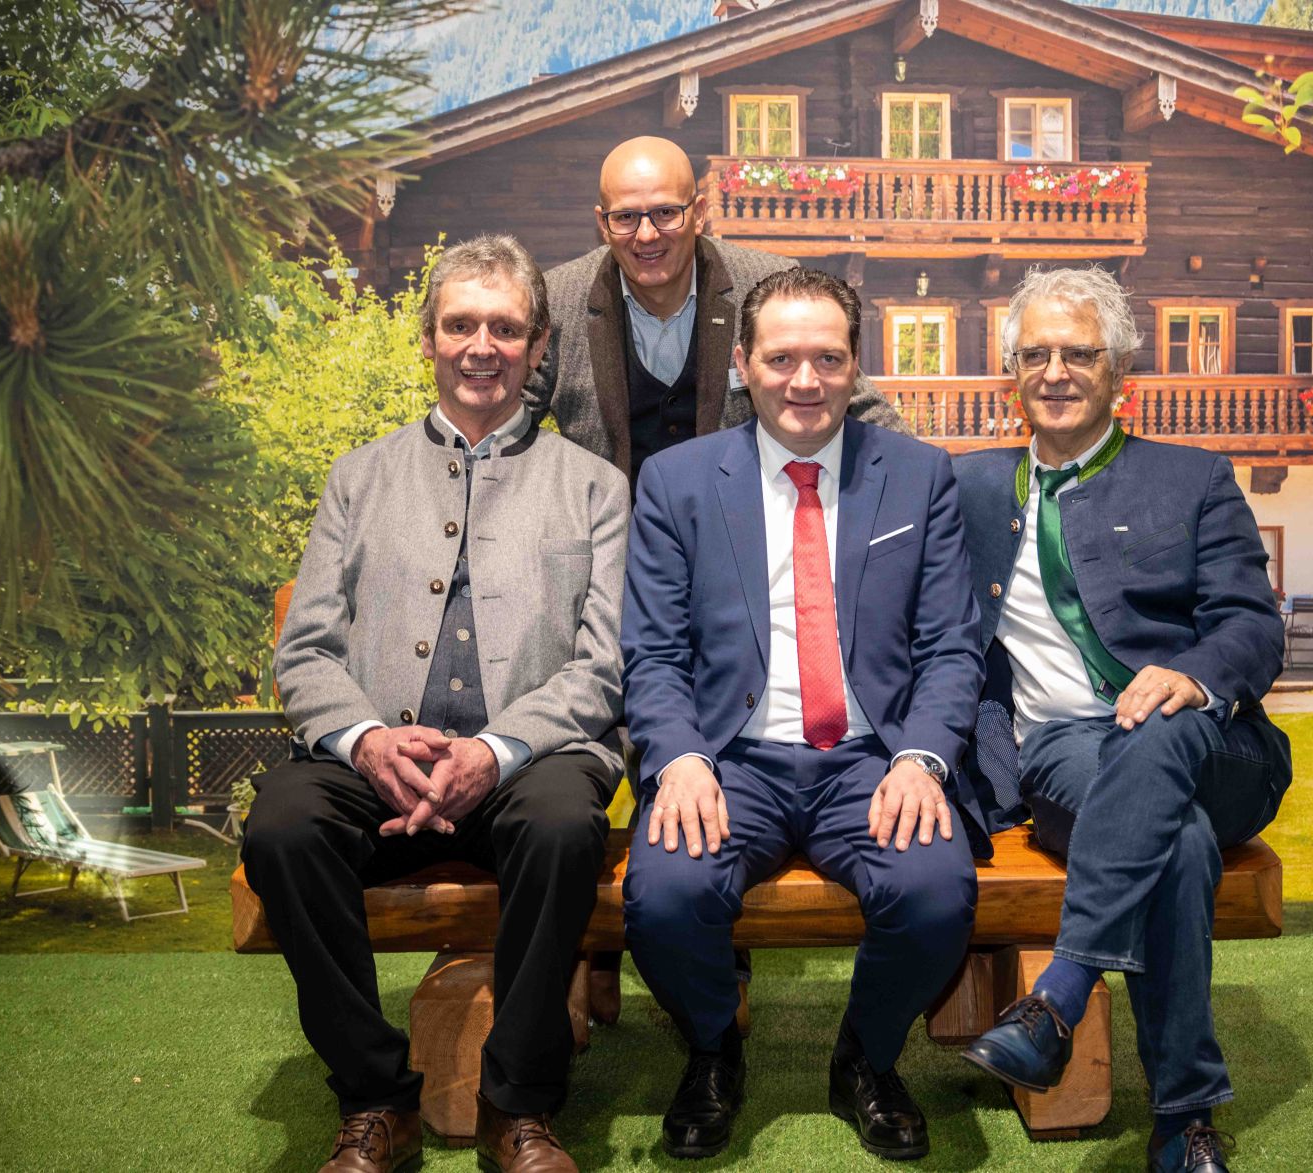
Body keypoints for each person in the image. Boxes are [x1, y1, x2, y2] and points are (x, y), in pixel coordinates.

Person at [243, 234, 628, 1173]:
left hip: (527, 765)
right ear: (429, 338)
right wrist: (368, 741)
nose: (481, 346)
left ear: (539, 346)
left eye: (505, 327)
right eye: (461, 324)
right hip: (379, 766)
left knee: (564, 823)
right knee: (283, 826)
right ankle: (375, 1098)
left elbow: (606, 664)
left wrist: (494, 751)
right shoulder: (359, 476)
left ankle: (520, 1106)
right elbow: (308, 649)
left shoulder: (594, 485)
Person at [619, 268, 986, 1161]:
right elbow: (654, 653)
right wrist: (679, 759)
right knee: (664, 896)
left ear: (857, 364)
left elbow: (951, 648)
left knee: (936, 890)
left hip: (872, 757)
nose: (805, 380)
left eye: (828, 356)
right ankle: (713, 1048)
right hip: (727, 757)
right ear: (743, 363)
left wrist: (921, 759)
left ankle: (864, 1055)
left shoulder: (919, 476)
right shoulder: (676, 482)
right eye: (782, 357)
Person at [953, 267, 1292, 1173]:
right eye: (1036, 355)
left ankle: (1058, 997)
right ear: (1011, 375)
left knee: (1163, 721)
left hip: (1218, 746)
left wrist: (1190, 675)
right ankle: (1185, 1122)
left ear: (1119, 373)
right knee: (1173, 845)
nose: (1056, 370)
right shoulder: (972, 490)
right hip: (1067, 750)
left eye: (1079, 353)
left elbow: (1254, 625)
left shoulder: (1193, 477)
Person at [529, 135, 905, 487]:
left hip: (742, 537)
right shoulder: (557, 300)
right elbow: (505, 416)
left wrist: (931, 482)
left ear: (699, 214)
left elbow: (855, 403)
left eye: (665, 212)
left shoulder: (771, 288)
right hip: (614, 543)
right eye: (626, 217)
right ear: (603, 224)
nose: (646, 235)